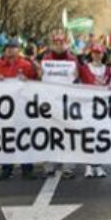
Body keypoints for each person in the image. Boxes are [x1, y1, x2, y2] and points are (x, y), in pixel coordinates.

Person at [0, 40, 38, 181]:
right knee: (6, 139)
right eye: (7, 48)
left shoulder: (26, 65)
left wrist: (27, 80)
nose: (10, 51)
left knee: (24, 138)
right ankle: (6, 169)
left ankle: (27, 168)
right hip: (3, 109)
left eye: (13, 48)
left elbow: (36, 82)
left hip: (22, 108)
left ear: (19, 50)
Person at [38, 33, 79, 179]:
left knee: (68, 134)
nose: (59, 45)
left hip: (67, 102)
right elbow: (39, 78)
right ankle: (50, 164)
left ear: (66, 44)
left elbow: (77, 78)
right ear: (52, 44)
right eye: (56, 43)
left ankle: (69, 165)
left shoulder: (73, 59)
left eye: (61, 43)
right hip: (50, 102)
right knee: (50, 134)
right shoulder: (46, 59)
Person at [78, 44, 111, 178]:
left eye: (100, 53)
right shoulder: (84, 68)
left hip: (103, 107)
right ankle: (88, 166)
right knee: (88, 136)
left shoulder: (108, 69)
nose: (97, 55)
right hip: (87, 106)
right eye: (95, 52)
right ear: (91, 54)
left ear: (103, 55)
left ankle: (99, 166)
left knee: (101, 136)